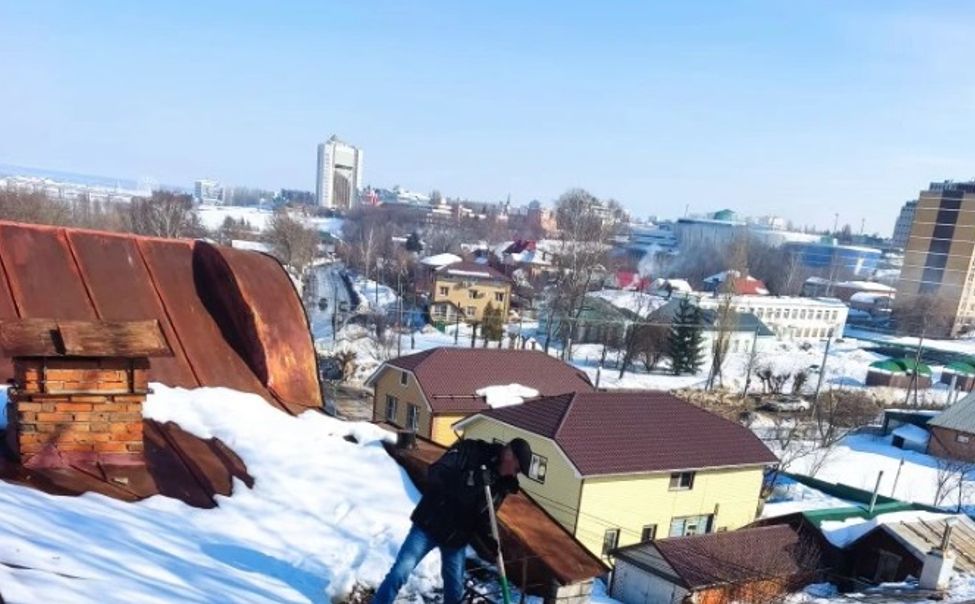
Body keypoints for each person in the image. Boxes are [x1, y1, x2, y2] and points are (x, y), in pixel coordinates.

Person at [373, 437, 533, 604]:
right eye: (516, 469)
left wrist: (490, 542)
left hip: (456, 538)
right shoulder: (470, 451)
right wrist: (472, 480)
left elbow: (484, 516)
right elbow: (436, 474)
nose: (515, 474)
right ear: (509, 455)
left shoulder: (501, 484)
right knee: (399, 573)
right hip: (430, 523)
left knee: (454, 593)